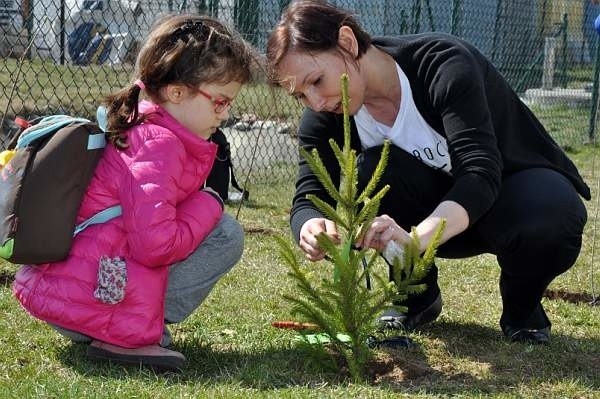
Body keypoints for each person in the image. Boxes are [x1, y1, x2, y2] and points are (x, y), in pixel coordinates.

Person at [266, 0, 590, 345]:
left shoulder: (442, 64)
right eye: (300, 95)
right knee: (374, 170)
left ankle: (522, 311)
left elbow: (479, 172)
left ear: (347, 42)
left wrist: (417, 241)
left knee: (554, 212)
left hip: (504, 202)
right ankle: (415, 299)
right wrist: (309, 225)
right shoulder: (327, 110)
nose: (315, 102)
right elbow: (308, 194)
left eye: (316, 80)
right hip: (427, 217)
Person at [13, 14, 257, 370]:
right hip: (85, 299)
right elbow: (155, 245)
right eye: (220, 101)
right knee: (225, 234)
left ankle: (127, 323)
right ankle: (128, 335)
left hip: (66, 290)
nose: (225, 114)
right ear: (177, 92)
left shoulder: (143, 123)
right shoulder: (161, 144)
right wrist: (210, 202)